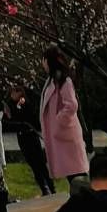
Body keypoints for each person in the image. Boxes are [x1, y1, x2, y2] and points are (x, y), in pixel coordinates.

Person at [39, 48, 88, 187]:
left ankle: (86, 197)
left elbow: (71, 105)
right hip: (60, 136)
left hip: (65, 133)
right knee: (71, 173)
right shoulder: (53, 80)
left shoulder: (64, 81)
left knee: (76, 173)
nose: (42, 63)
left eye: (44, 60)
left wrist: (58, 122)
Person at [8, 83, 54, 196]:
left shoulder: (25, 103)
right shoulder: (12, 105)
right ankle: (44, 187)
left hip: (30, 136)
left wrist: (18, 109)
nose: (11, 95)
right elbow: (12, 122)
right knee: (33, 164)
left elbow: (28, 118)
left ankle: (50, 187)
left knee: (40, 163)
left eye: (14, 92)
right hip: (21, 137)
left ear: (20, 93)